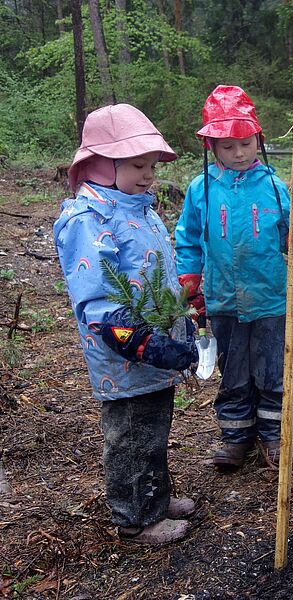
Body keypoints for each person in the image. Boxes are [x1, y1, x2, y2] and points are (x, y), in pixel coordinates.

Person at [54, 104, 198, 544]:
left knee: (153, 428)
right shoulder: (88, 220)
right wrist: (140, 343)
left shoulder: (141, 209)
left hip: (155, 348)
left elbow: (158, 273)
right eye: (138, 165)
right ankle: (137, 519)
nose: (149, 174)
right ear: (101, 163)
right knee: (132, 434)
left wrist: (184, 316)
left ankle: (153, 495)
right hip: (125, 358)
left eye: (151, 165)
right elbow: (96, 303)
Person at [175, 85, 293, 469]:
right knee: (234, 371)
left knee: (271, 369)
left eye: (244, 143)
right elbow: (189, 238)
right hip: (222, 297)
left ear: (257, 139)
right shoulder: (201, 189)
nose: (238, 153)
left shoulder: (275, 188)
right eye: (227, 146)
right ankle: (235, 437)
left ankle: (274, 436)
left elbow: (287, 239)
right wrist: (190, 282)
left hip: (270, 297)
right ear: (212, 147)